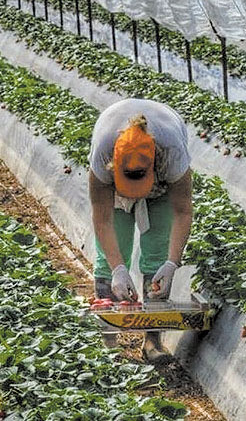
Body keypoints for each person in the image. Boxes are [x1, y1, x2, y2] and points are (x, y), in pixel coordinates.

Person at [89, 98, 192, 361]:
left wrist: (172, 263)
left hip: (160, 192)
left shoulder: (171, 152)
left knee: (157, 254)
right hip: (115, 194)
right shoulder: (103, 155)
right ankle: (108, 341)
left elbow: (182, 211)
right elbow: (102, 219)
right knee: (110, 255)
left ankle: (152, 342)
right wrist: (118, 269)